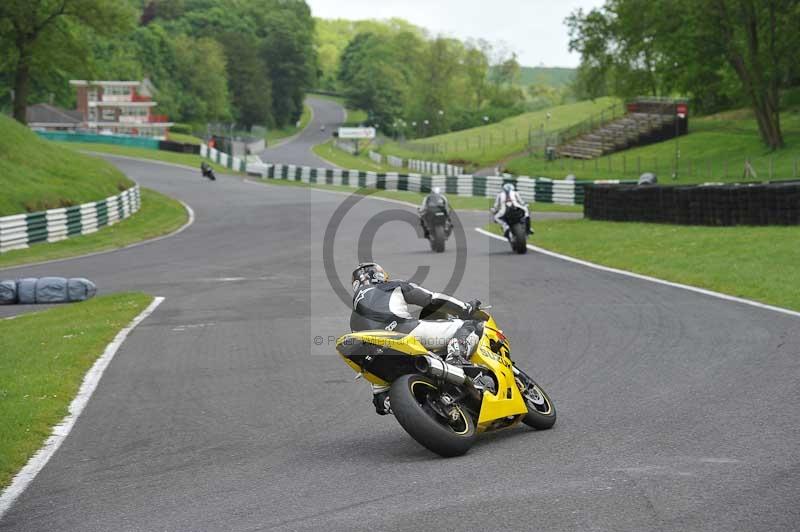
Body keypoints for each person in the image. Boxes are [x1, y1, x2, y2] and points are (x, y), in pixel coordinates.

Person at [350, 262, 481, 415]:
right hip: (406, 332)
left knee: (380, 394)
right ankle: (455, 358)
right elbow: (433, 299)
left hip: (377, 353)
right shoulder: (391, 286)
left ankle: (388, 402)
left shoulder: (353, 319)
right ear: (379, 275)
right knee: (470, 326)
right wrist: (466, 308)